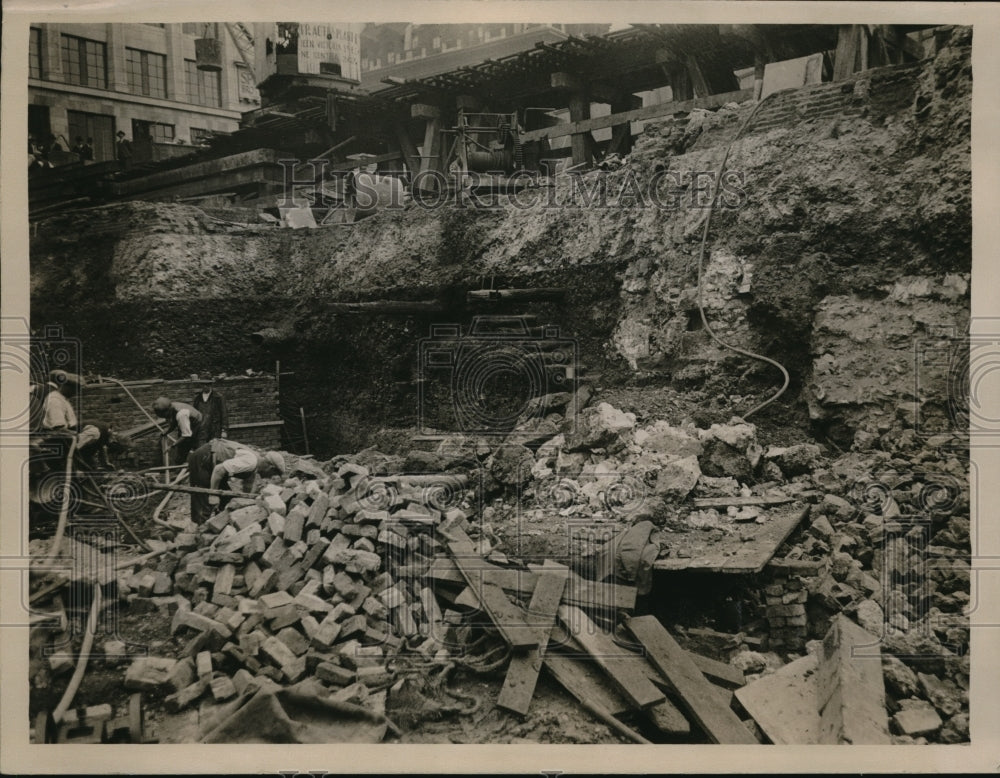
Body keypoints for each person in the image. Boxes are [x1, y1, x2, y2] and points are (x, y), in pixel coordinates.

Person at [187, 439, 285, 523]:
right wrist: (213, 494)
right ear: (270, 467)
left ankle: (219, 522)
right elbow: (218, 470)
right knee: (203, 499)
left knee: (227, 497)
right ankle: (198, 532)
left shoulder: (255, 466)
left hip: (215, 463)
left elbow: (248, 485)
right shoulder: (251, 461)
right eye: (272, 475)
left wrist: (248, 504)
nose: (268, 478)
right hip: (204, 458)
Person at [152, 396, 203, 466]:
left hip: (199, 428)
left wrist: (173, 446)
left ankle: (185, 470)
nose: (166, 418)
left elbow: (186, 435)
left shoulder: (181, 414)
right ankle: (181, 468)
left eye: (164, 416)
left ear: (167, 411)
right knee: (181, 453)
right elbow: (174, 423)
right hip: (190, 427)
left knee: (196, 453)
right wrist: (167, 431)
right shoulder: (172, 406)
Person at [191, 376, 228, 441]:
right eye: (203, 384)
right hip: (201, 431)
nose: (205, 386)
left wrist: (224, 430)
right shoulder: (197, 399)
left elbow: (224, 414)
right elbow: (194, 415)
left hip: (214, 430)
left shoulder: (218, 397)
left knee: (214, 449)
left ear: (211, 385)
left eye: (207, 384)